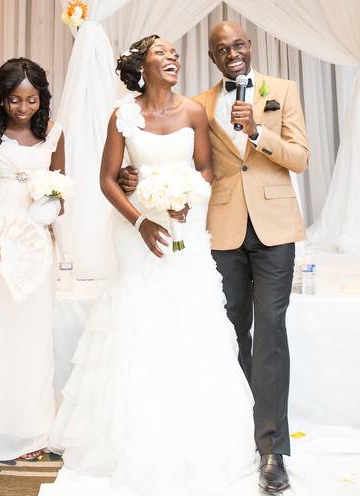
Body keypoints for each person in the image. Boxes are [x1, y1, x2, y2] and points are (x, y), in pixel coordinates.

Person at [49, 35, 256, 496]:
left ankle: (192, 436)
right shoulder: (123, 114)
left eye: (176, 54)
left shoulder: (194, 113)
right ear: (142, 65)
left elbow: (206, 169)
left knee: (189, 322)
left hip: (183, 230)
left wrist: (186, 198)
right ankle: (135, 436)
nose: (173, 59)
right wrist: (141, 218)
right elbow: (107, 179)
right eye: (162, 53)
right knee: (141, 323)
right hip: (135, 232)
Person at [118, 21, 308, 493]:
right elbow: (185, 161)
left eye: (238, 45)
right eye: (221, 49)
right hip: (219, 230)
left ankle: (272, 450)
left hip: (274, 229)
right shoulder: (197, 103)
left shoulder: (282, 90)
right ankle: (235, 435)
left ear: (250, 47)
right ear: (212, 56)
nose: (232, 53)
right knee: (228, 335)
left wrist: (257, 132)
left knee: (271, 332)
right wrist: (132, 178)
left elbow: (301, 158)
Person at [0, 58, 64, 461]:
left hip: (35, 241)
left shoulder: (55, 133)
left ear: (42, 99)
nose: (23, 108)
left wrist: (52, 207)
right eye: (14, 100)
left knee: (32, 334)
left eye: (32, 100)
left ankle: (31, 430)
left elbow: (60, 190)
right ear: (0, 98)